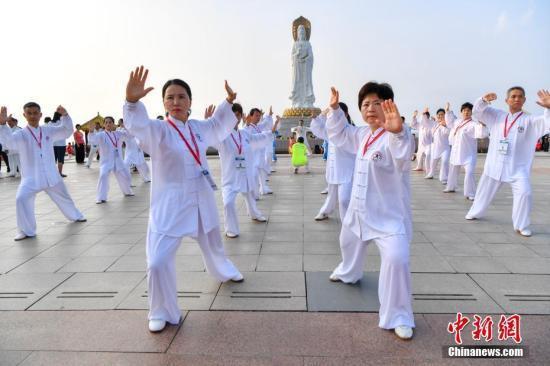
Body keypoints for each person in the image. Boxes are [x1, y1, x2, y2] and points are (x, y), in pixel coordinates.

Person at [123, 66, 244, 333]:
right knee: (157, 261)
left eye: (181, 97)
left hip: (201, 198)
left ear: (190, 102)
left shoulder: (199, 128)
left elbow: (217, 125)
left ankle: (224, 270)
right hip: (171, 204)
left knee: (213, 241)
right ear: (164, 103)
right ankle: (161, 310)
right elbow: (138, 126)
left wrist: (228, 102)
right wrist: (132, 102)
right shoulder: (158, 131)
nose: (175, 102)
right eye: (170, 97)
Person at [326, 83, 415, 340]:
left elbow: (403, 155)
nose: (370, 109)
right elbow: (341, 134)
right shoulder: (363, 135)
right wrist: (334, 109)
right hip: (359, 210)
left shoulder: (396, 135)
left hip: (388, 217)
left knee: (397, 259)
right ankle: (349, 272)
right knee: (348, 242)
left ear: (388, 105)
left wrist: (398, 132)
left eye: (377, 103)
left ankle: (398, 315)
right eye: (365, 104)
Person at [466, 88, 550, 237]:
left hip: (517, 168)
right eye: (513, 96)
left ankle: (521, 225)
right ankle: (475, 212)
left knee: (525, 193)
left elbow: (547, 123)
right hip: (494, 164)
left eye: (520, 97)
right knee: (483, 193)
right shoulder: (496, 115)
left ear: (524, 100)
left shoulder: (529, 120)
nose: (517, 99)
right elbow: (477, 113)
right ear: (507, 100)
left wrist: (549, 107)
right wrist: (483, 100)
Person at [0, 103, 86, 241]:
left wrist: (65, 115)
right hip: (31, 177)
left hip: (51, 175)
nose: (33, 116)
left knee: (64, 197)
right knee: (21, 199)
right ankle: (26, 231)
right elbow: (8, 143)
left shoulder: (48, 130)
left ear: (40, 115)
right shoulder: (21, 134)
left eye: (35, 113)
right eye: (29, 113)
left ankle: (76, 216)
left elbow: (66, 130)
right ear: (25, 115)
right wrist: (3, 124)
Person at [216, 103, 277, 238]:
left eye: (237, 115)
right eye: (232, 115)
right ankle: (231, 229)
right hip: (230, 176)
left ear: (240, 117)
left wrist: (270, 133)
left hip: (245, 172)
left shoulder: (244, 133)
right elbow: (211, 137)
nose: (235, 118)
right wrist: (211, 124)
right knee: (228, 203)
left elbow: (258, 138)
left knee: (250, 196)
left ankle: (255, 214)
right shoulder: (222, 136)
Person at [310, 102, 355, 221]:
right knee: (331, 195)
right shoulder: (330, 131)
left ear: (345, 114)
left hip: (347, 170)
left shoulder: (352, 131)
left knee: (344, 199)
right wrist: (319, 117)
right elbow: (318, 129)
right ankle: (325, 212)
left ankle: (347, 221)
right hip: (334, 168)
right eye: (332, 114)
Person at [444, 102, 486, 200]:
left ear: (471, 112)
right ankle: (451, 186)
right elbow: (450, 122)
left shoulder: (474, 124)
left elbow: (481, 134)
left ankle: (470, 193)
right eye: (464, 110)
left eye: (468, 110)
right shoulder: (457, 122)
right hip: (456, 151)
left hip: (468, 153)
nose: (466, 112)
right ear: (461, 112)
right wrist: (448, 111)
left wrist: (482, 125)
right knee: (453, 170)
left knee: (469, 172)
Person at [89, 116, 134, 203]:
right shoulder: (101, 135)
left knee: (125, 176)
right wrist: (91, 131)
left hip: (118, 160)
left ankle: (127, 191)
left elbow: (130, 136)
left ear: (113, 124)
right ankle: (101, 197)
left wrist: (126, 127)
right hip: (106, 161)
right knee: (103, 175)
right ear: (104, 124)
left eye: (110, 122)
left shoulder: (118, 133)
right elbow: (93, 140)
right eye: (106, 122)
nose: (108, 124)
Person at [245, 108, 274, 196]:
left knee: (262, 172)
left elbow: (265, 123)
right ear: (250, 116)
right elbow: (246, 134)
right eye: (256, 116)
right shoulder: (248, 127)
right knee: (254, 174)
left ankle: (263, 188)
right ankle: (254, 193)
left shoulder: (257, 126)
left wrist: (269, 115)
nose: (258, 118)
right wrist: (246, 124)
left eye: (259, 116)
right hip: (253, 155)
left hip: (260, 153)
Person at [425, 108, 450, 183]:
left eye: (442, 114)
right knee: (433, 162)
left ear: (445, 115)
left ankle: (443, 178)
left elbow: (448, 133)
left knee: (445, 161)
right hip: (435, 147)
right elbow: (426, 124)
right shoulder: (435, 124)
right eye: (439, 115)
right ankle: (431, 173)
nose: (440, 116)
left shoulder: (448, 123)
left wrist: (445, 125)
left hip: (445, 148)